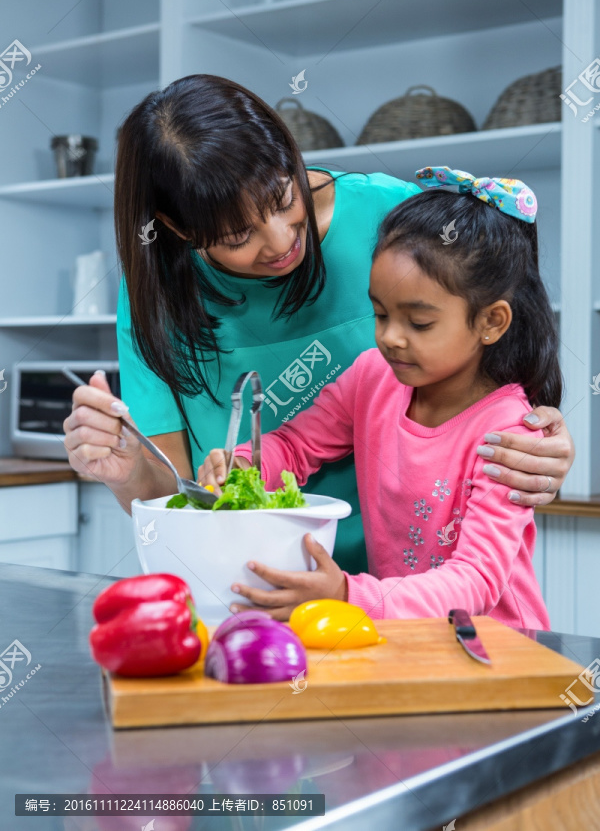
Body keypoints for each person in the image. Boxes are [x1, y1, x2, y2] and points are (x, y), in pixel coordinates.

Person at [63, 75, 574, 578]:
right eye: (239, 233)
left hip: (408, 589)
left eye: (284, 197)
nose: (281, 240)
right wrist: (128, 470)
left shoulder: (395, 220)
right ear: (176, 229)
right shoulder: (157, 297)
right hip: (251, 578)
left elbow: (502, 346)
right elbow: (182, 495)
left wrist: (541, 442)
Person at [201, 168, 558, 630]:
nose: (390, 337)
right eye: (381, 313)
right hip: (409, 641)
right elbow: (294, 445)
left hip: (502, 651)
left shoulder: (508, 432)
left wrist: (350, 595)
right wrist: (244, 463)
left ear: (491, 321)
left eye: (419, 323)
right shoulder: (372, 378)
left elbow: (477, 580)